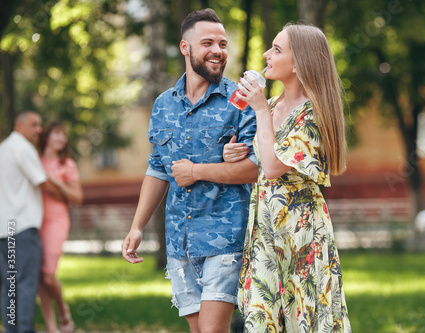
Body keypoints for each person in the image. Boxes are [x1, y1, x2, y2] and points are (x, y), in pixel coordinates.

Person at [121, 8, 258, 333]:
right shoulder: (163, 104)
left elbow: (255, 169)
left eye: (223, 44)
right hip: (179, 242)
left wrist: (197, 171)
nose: (218, 51)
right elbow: (158, 169)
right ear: (186, 47)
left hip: (225, 239)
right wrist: (137, 226)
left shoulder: (241, 101)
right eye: (208, 42)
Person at [223, 23, 352, 332]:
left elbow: (272, 167)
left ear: (298, 64)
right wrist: (236, 154)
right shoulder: (271, 106)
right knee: (260, 320)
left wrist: (259, 112)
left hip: (301, 239)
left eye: (277, 50)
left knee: (303, 320)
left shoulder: (312, 114)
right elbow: (263, 163)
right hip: (265, 235)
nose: (267, 55)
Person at [0, 111, 62, 333]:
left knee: (9, 284)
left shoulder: (3, 149)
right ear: (20, 125)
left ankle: (11, 329)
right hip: (23, 227)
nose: (39, 130)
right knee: (26, 283)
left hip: (5, 228)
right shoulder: (23, 149)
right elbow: (43, 182)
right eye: (34, 125)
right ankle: (24, 329)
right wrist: (67, 195)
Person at [37, 121, 83, 333]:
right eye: (57, 133)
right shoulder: (34, 159)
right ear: (46, 135)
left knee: (48, 274)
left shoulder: (67, 164)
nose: (61, 139)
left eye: (63, 135)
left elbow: (77, 197)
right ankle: (52, 327)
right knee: (39, 276)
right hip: (34, 220)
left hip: (56, 221)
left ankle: (63, 310)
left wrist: (56, 182)